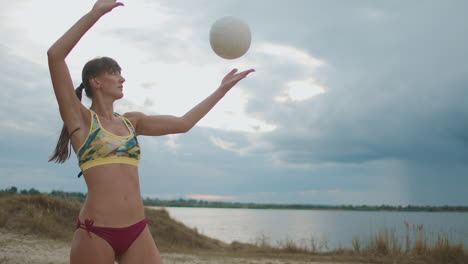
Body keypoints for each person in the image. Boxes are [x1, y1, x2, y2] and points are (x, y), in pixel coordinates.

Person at [47, 0, 254, 263]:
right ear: (95, 81)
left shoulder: (132, 122)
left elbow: (183, 123)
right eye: (114, 73)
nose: (122, 78)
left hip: (137, 231)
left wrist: (221, 90)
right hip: (95, 232)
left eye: (121, 73)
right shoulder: (81, 120)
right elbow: (55, 55)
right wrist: (95, 13)